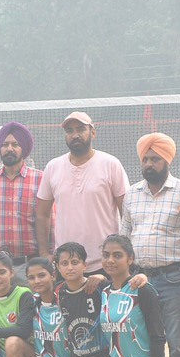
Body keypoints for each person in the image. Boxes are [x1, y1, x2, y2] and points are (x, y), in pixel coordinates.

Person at [120, 133, 180, 357]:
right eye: (145, 159)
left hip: (175, 280)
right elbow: (124, 237)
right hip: (139, 281)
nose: (149, 164)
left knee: (177, 344)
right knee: (142, 340)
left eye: (155, 159)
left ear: (167, 160)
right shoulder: (131, 194)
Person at [36, 111, 129, 275]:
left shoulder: (110, 164)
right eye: (69, 131)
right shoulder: (53, 167)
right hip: (67, 264)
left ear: (93, 133)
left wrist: (124, 252)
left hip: (105, 263)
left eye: (81, 129)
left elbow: (126, 212)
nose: (75, 135)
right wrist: (44, 253)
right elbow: (42, 214)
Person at [0, 122, 46, 285]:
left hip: (30, 267)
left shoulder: (41, 179)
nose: (9, 149)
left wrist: (48, 257)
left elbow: (50, 221)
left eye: (15, 144)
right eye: (5, 145)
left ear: (24, 148)